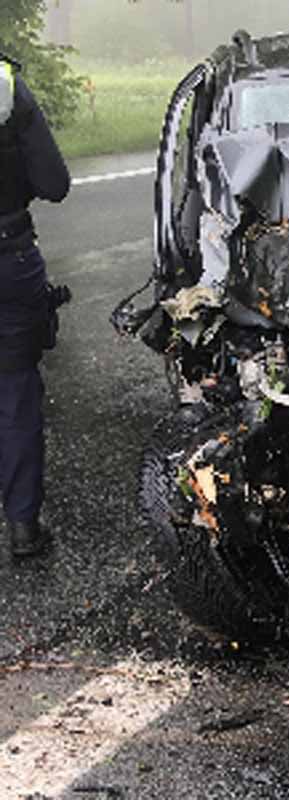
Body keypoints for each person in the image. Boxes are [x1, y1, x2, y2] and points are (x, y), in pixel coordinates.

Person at [0, 53, 70, 559]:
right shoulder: (7, 87)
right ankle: (23, 526)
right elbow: (54, 184)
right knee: (16, 389)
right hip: (9, 255)